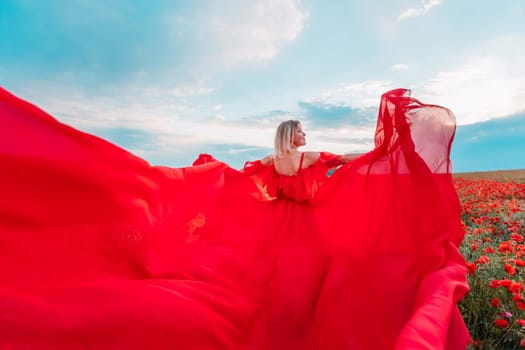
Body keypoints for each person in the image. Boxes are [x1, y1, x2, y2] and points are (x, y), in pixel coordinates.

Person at [0, 87, 470, 349]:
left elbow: (252, 186)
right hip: (304, 239)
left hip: (269, 237)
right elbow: (348, 163)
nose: (305, 134)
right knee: (307, 305)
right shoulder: (312, 160)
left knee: (262, 302)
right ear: (297, 135)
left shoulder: (269, 161)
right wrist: (386, 151)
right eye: (302, 131)